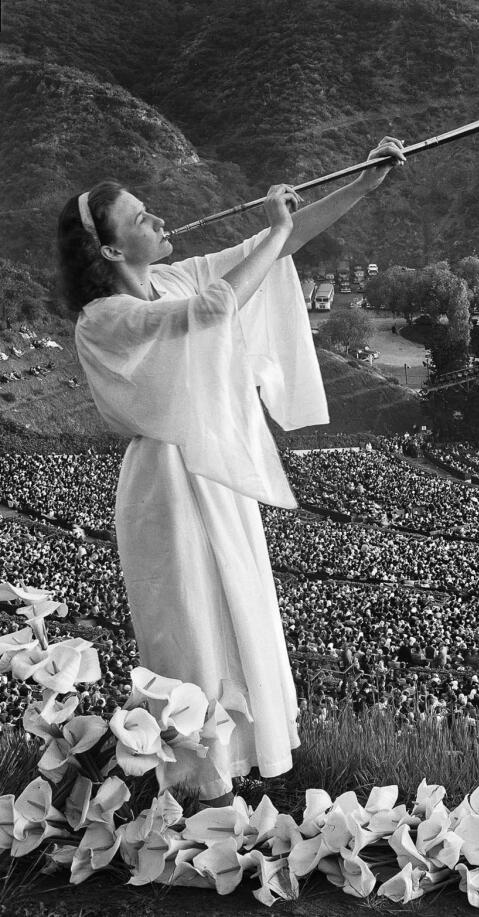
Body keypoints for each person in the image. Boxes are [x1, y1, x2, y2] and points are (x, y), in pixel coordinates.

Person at [59, 138, 406, 804]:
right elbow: (217, 308)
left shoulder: (170, 277)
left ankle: (236, 762)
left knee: (237, 608)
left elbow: (271, 249)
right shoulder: (104, 320)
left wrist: (365, 181)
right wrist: (273, 229)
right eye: (139, 220)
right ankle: (191, 778)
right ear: (108, 251)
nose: (158, 222)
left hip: (210, 467)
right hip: (164, 482)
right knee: (186, 622)